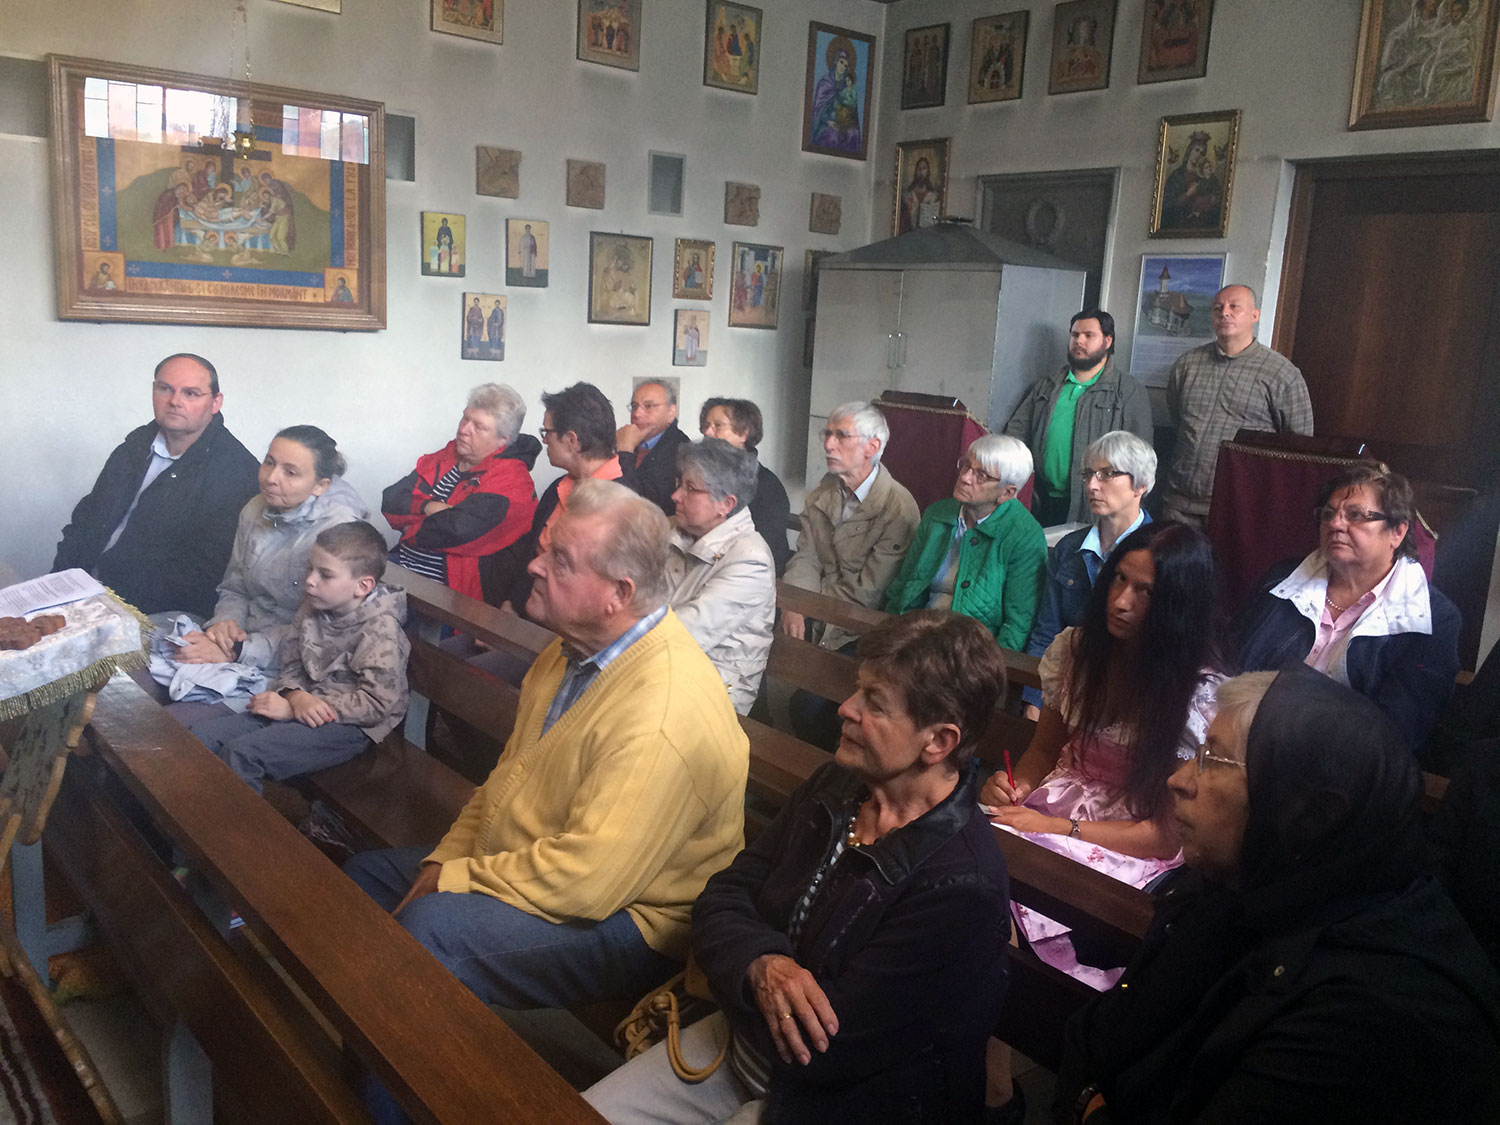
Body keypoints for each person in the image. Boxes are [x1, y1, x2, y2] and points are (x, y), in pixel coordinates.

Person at [345, 481, 748, 1123]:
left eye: (560, 560)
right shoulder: (571, 655)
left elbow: (589, 881)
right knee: (364, 880)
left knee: (429, 935)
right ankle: (361, 1080)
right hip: (546, 861)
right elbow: (503, 782)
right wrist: (444, 861)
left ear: (619, 594)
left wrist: (453, 879)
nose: (534, 565)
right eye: (545, 549)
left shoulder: (663, 711)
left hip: (637, 919)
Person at [584, 611, 1011, 1125]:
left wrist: (733, 969)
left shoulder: (961, 884)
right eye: (858, 689)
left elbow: (826, 1047)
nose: (846, 708)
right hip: (740, 1045)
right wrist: (761, 963)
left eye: (875, 702)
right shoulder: (838, 787)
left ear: (938, 741)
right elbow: (723, 895)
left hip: (838, 1105)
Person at [1054, 668, 1500, 1123]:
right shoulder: (1228, 892)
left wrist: (1087, 1103)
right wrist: (1088, 1096)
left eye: (1213, 760)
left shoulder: (1367, 1012)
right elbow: (1096, 1035)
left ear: (1310, 815)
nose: (1179, 780)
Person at [981, 521, 1226, 986]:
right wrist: (1015, 785)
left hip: (1125, 840)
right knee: (965, 861)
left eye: (1145, 592)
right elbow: (1043, 751)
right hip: (1051, 808)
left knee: (1008, 896)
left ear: (1178, 605)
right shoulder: (1076, 652)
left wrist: (1056, 827)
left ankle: (1019, 996)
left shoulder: (1195, 694)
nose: (1120, 602)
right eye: (1119, 579)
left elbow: (1164, 837)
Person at [1233, 464, 1461, 753]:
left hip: (1336, 762)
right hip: (1239, 734)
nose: (1335, 524)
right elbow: (1231, 660)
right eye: (1328, 514)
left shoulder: (1433, 619)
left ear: (1397, 531)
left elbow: (1395, 732)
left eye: (1355, 515)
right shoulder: (1281, 579)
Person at [188, 521, 409, 793]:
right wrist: (294, 695)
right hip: (303, 703)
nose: (310, 580)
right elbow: (292, 662)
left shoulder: (380, 630)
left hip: (350, 725)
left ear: (362, 586)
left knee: (241, 755)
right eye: (310, 568)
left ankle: (234, 822)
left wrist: (295, 708)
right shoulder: (311, 608)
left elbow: (377, 703)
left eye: (325, 575)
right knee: (201, 738)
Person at [53, 353, 259, 619]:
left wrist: (107, 600)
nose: (174, 401)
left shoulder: (236, 470)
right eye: (165, 388)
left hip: (151, 611)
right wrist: (59, 583)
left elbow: (203, 574)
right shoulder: (133, 447)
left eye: (191, 393)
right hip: (80, 593)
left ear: (215, 402)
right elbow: (85, 521)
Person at [1022, 431, 1155, 716]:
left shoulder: (1160, 553)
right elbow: (1046, 632)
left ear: (1140, 484)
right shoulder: (1069, 547)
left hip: (1126, 700)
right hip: (1062, 689)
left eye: (1107, 474)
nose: (1092, 485)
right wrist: (1034, 701)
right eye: (1088, 474)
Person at [1160, 284, 1313, 526]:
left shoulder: (1281, 374)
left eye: (1234, 307)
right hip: (1179, 503)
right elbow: (1179, 422)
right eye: (1218, 308)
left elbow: (1298, 446)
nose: (1225, 313)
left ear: (1255, 315)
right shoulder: (1187, 365)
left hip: (1239, 506)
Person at [883, 434, 1047, 652]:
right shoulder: (937, 514)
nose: (966, 478)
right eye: (966, 465)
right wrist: (888, 637)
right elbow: (903, 585)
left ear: (1007, 492)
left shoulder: (1024, 535)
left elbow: (1019, 625)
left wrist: (990, 666)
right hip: (918, 636)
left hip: (972, 651)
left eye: (981, 475)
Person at [781, 402, 919, 652]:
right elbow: (806, 558)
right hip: (812, 605)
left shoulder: (898, 508)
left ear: (872, 447)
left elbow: (868, 592)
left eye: (841, 436)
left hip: (861, 626)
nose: (828, 444)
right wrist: (794, 604)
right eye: (827, 434)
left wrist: (809, 606)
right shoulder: (823, 493)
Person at [382, 383, 539, 601]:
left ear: (502, 440)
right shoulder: (449, 455)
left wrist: (409, 525)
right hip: (402, 566)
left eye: (479, 427)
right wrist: (430, 507)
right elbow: (391, 499)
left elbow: (456, 531)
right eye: (465, 418)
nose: (464, 430)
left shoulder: (513, 481)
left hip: (450, 594)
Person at [1003, 310, 1153, 527]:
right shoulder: (1047, 384)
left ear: (1108, 341)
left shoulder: (1127, 391)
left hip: (1092, 503)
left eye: (1089, 335)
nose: (1079, 341)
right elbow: (1016, 433)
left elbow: (1141, 455)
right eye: (1075, 335)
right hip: (1040, 498)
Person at [484, 381, 622, 614]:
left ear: (571, 440)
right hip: (527, 608)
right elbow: (530, 552)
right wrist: (512, 602)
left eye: (547, 432)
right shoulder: (559, 486)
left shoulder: (621, 502)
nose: (544, 440)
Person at [665, 439, 775, 714]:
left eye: (690, 489)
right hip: (662, 667)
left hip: (713, 689)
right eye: (679, 483)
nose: (675, 495)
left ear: (726, 504)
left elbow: (687, 633)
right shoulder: (670, 529)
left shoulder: (750, 559)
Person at [699, 397, 793, 575]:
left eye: (718, 426)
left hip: (746, 571)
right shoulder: (699, 475)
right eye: (705, 426)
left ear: (744, 433)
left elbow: (766, 550)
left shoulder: (766, 486)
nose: (707, 433)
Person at [617, 379, 691, 516]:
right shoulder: (629, 439)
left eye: (648, 406)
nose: (637, 414)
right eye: (634, 406)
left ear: (671, 412)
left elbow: (641, 503)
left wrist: (625, 452)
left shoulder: (680, 450)